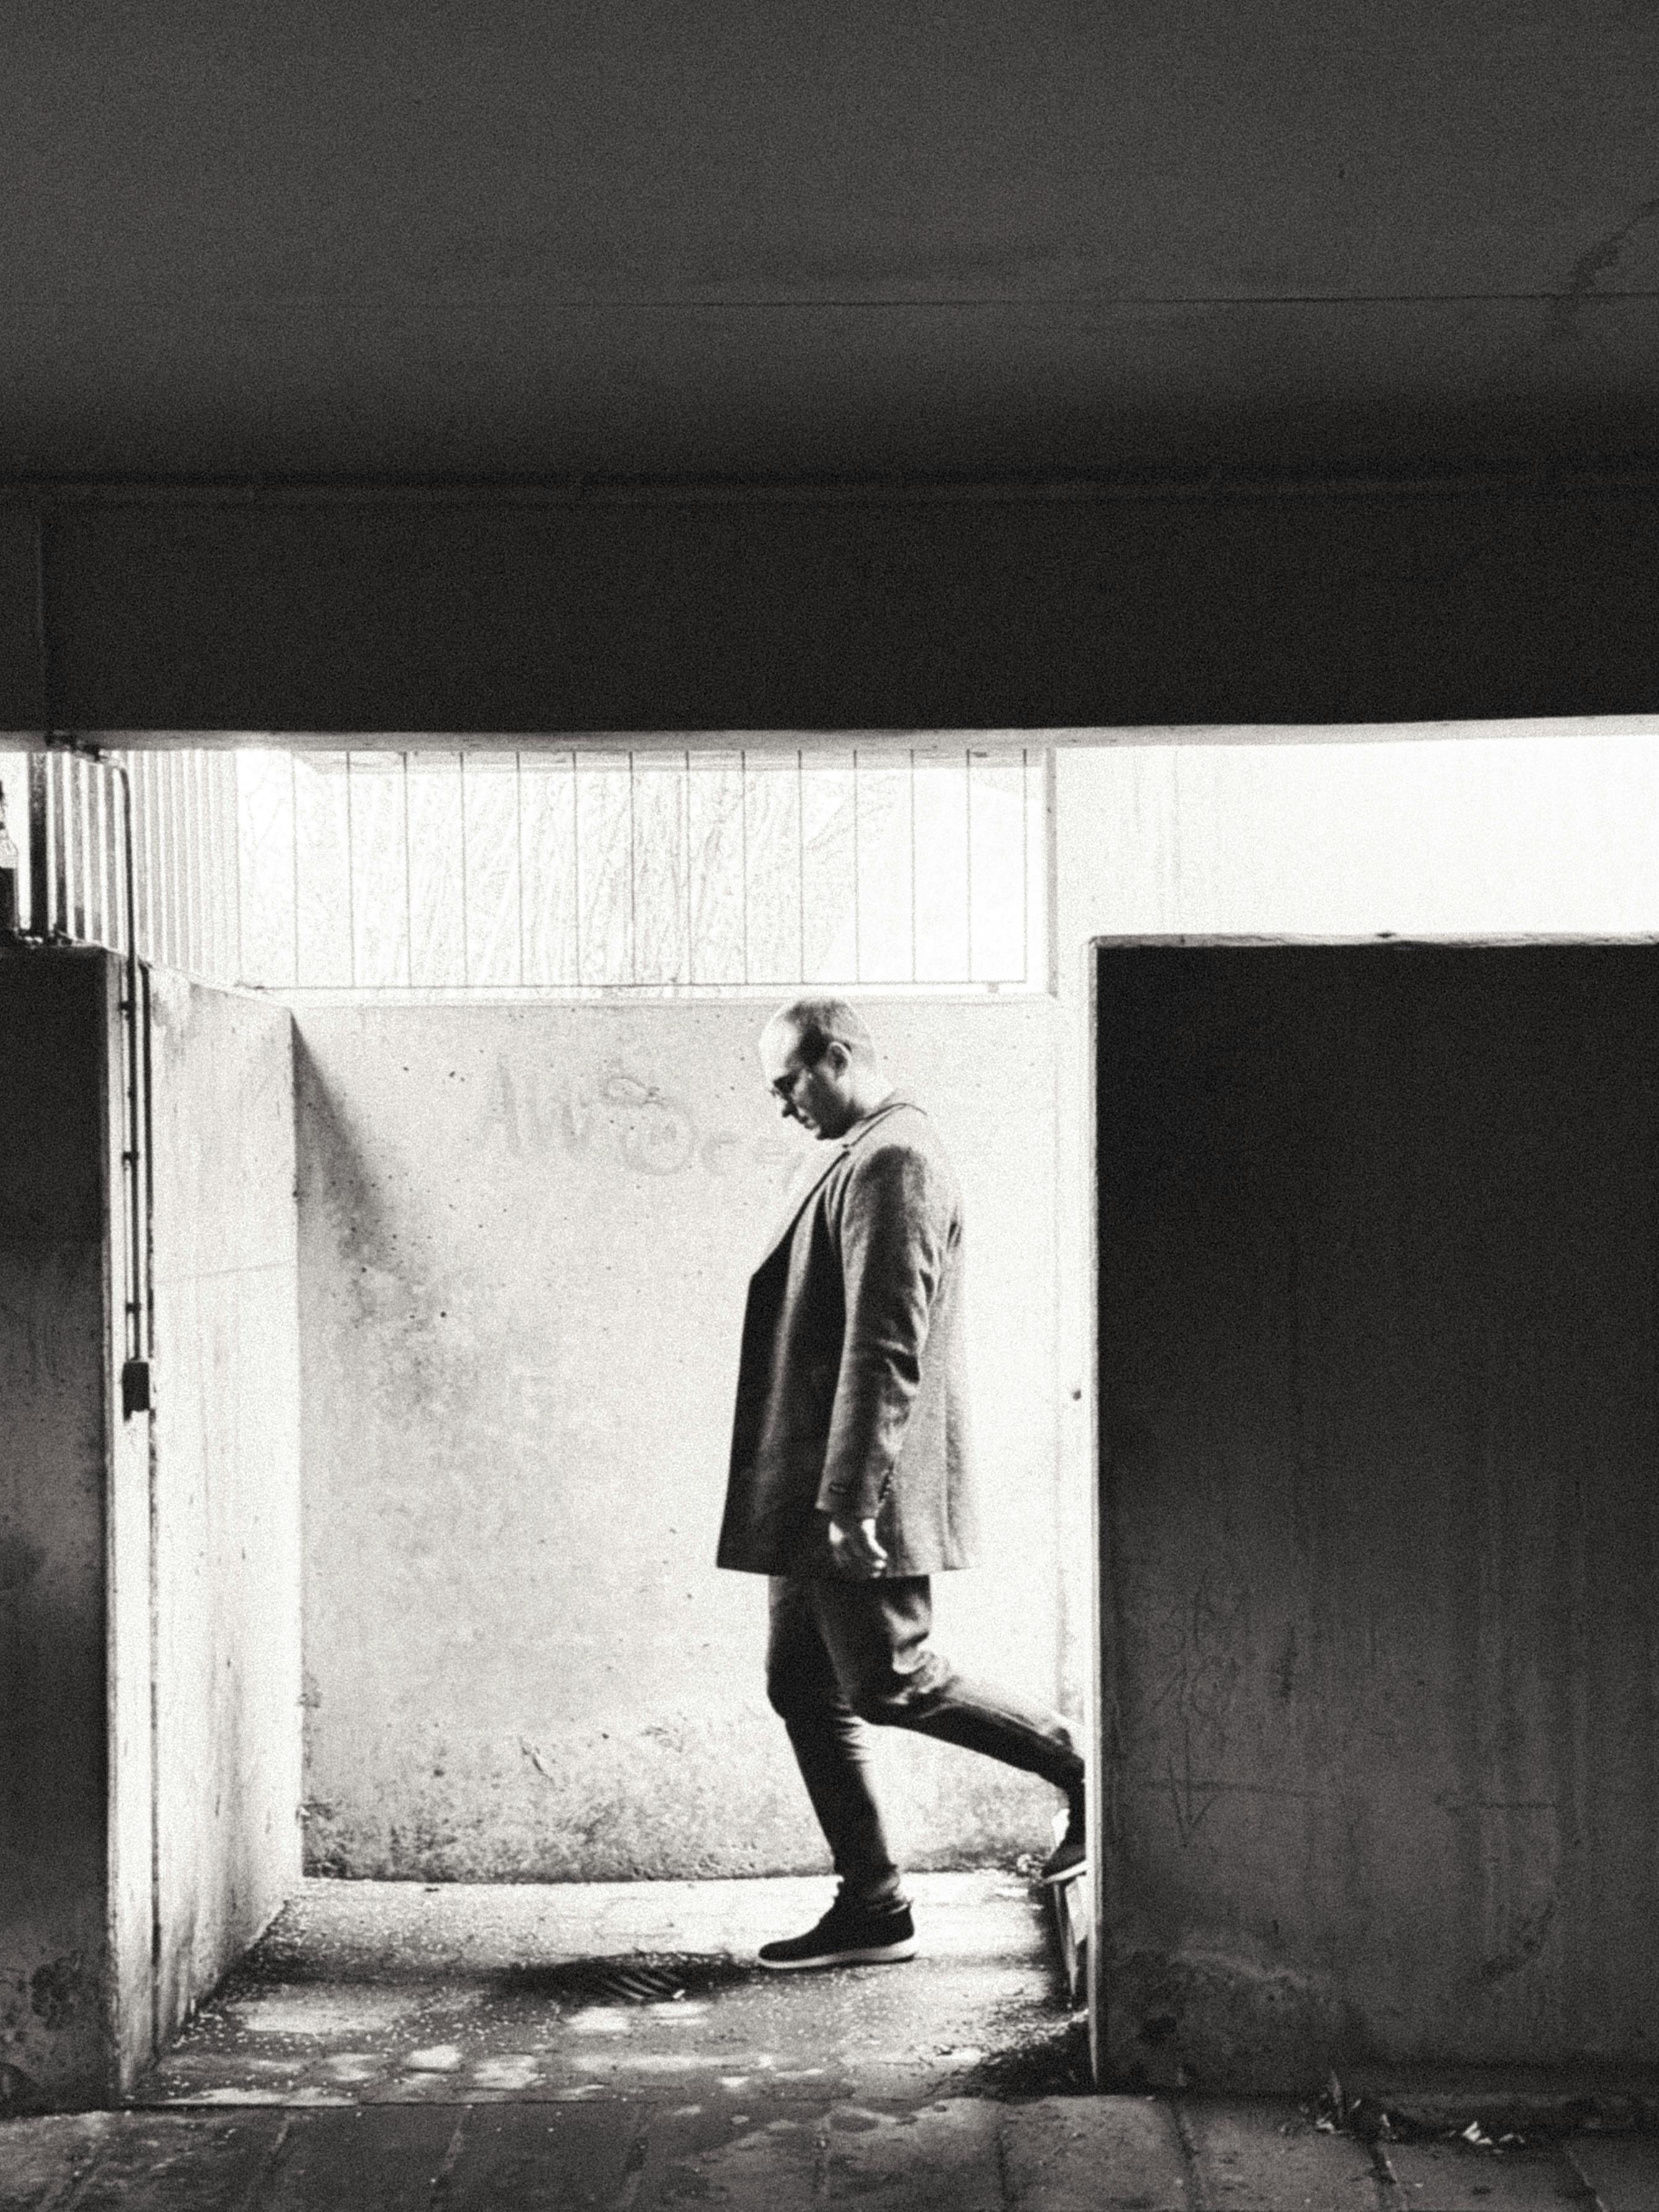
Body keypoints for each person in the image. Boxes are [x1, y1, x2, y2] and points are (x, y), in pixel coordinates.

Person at [716, 996, 1086, 1971]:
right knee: (800, 1684)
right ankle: (872, 1902)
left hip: (847, 1489)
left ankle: (1089, 1768)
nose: (783, 1106)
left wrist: (851, 1499)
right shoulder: (857, 1151)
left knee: (891, 1679)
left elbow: (887, 1345)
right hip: (809, 1486)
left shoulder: (897, 1158)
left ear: (834, 1055)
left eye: (789, 1081)